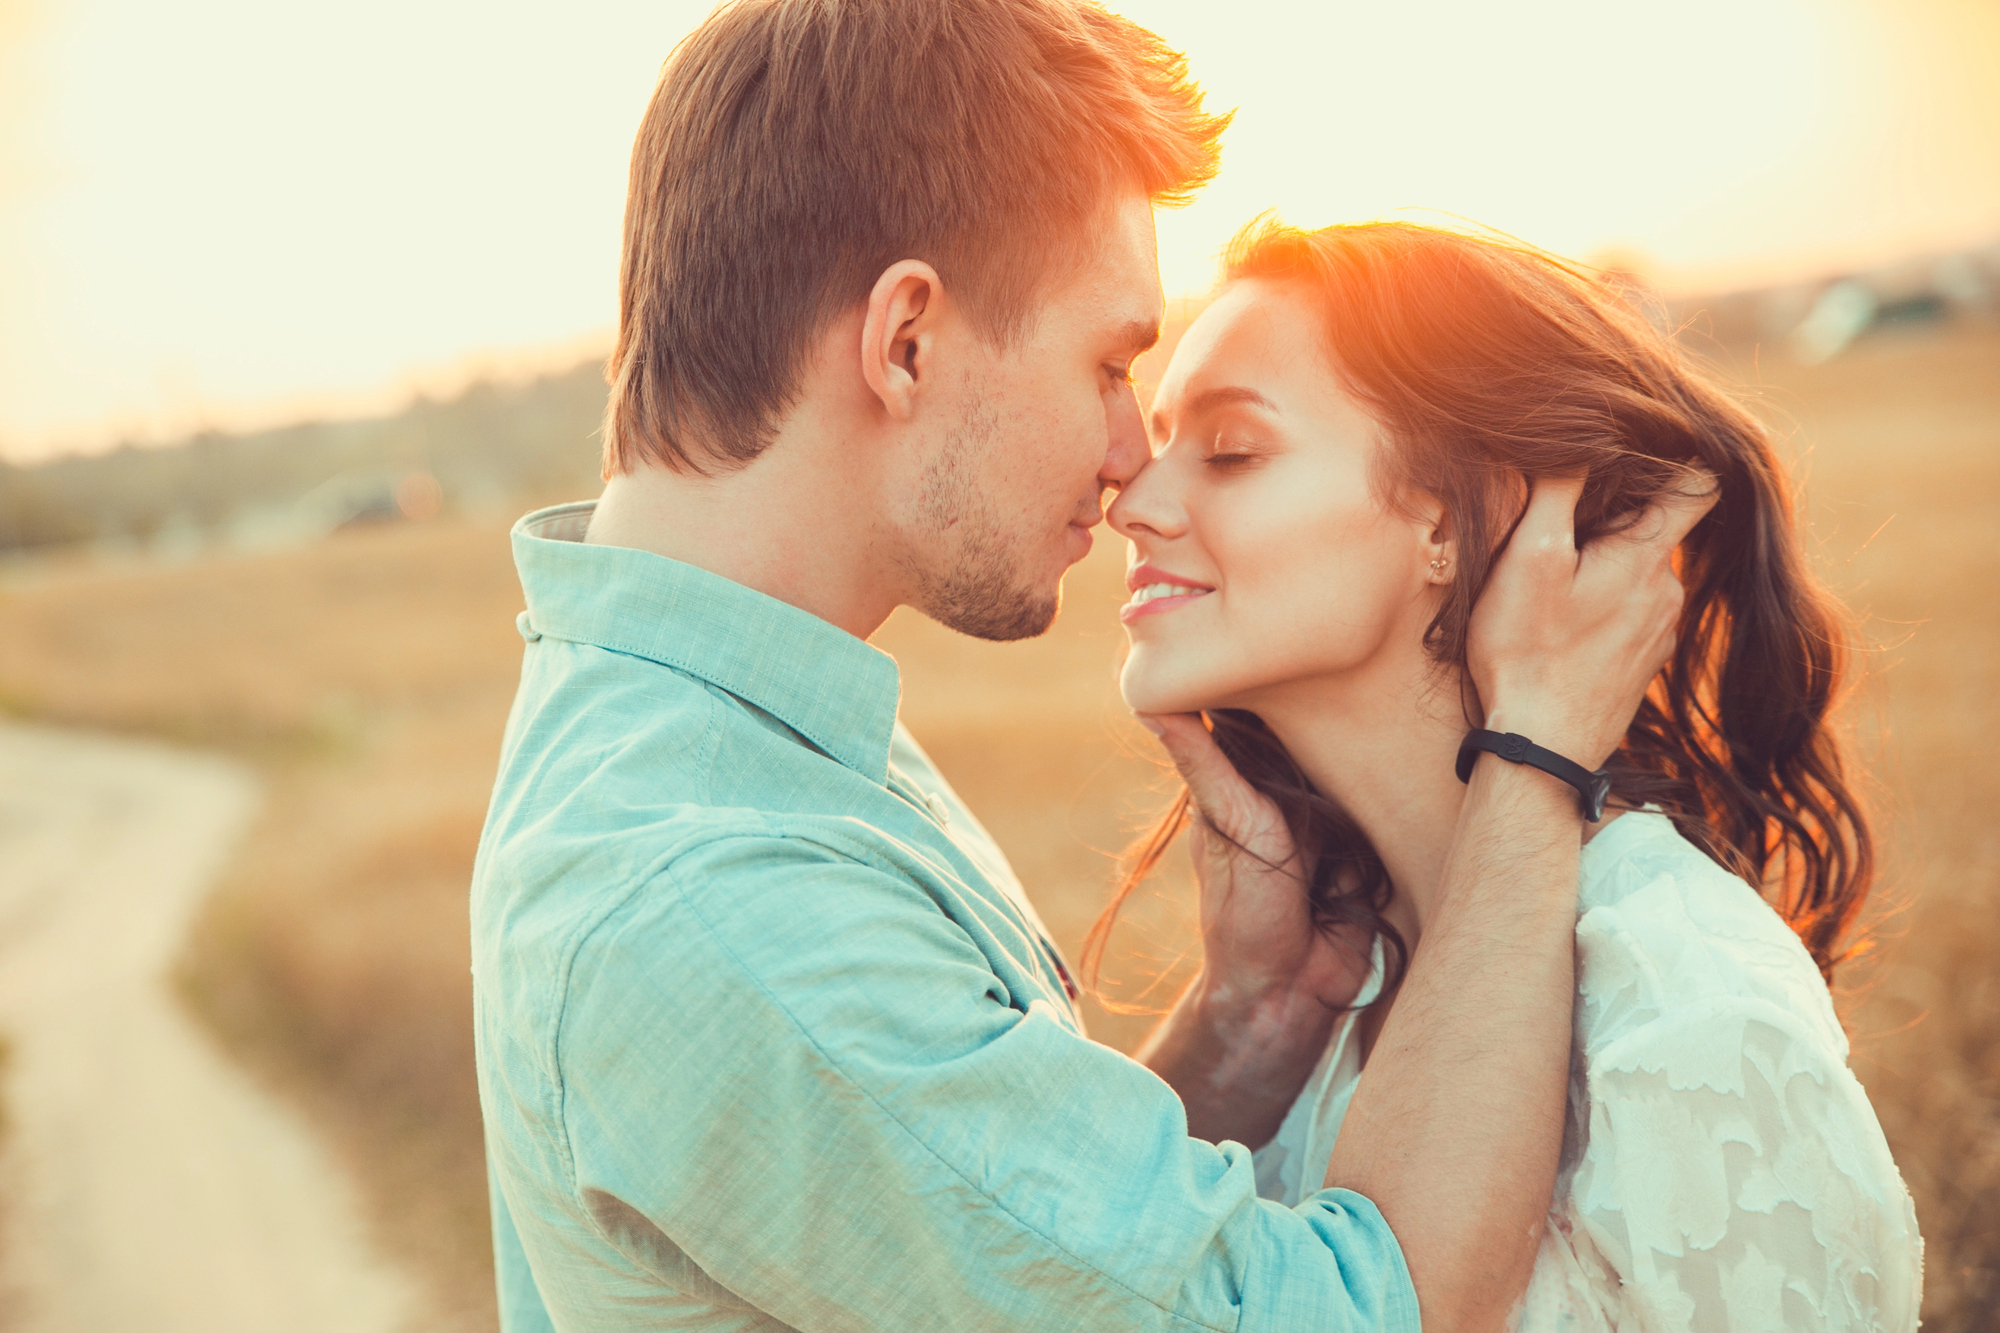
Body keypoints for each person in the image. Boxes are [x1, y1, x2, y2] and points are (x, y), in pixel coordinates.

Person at [470, 2, 1706, 1329]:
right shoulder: (715, 891)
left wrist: (1251, 1018)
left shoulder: (715, 733)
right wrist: (1536, 758)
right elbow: (1351, 1314)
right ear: (907, 343)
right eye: (1111, 363)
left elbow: (965, 1251)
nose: (1129, 456)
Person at [1104, 218, 1925, 1332]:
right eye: (1157, 443)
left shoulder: (1681, 1005)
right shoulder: (1328, 990)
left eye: (1231, 449)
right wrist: (1242, 1019)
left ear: (1447, 516)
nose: (1133, 502)